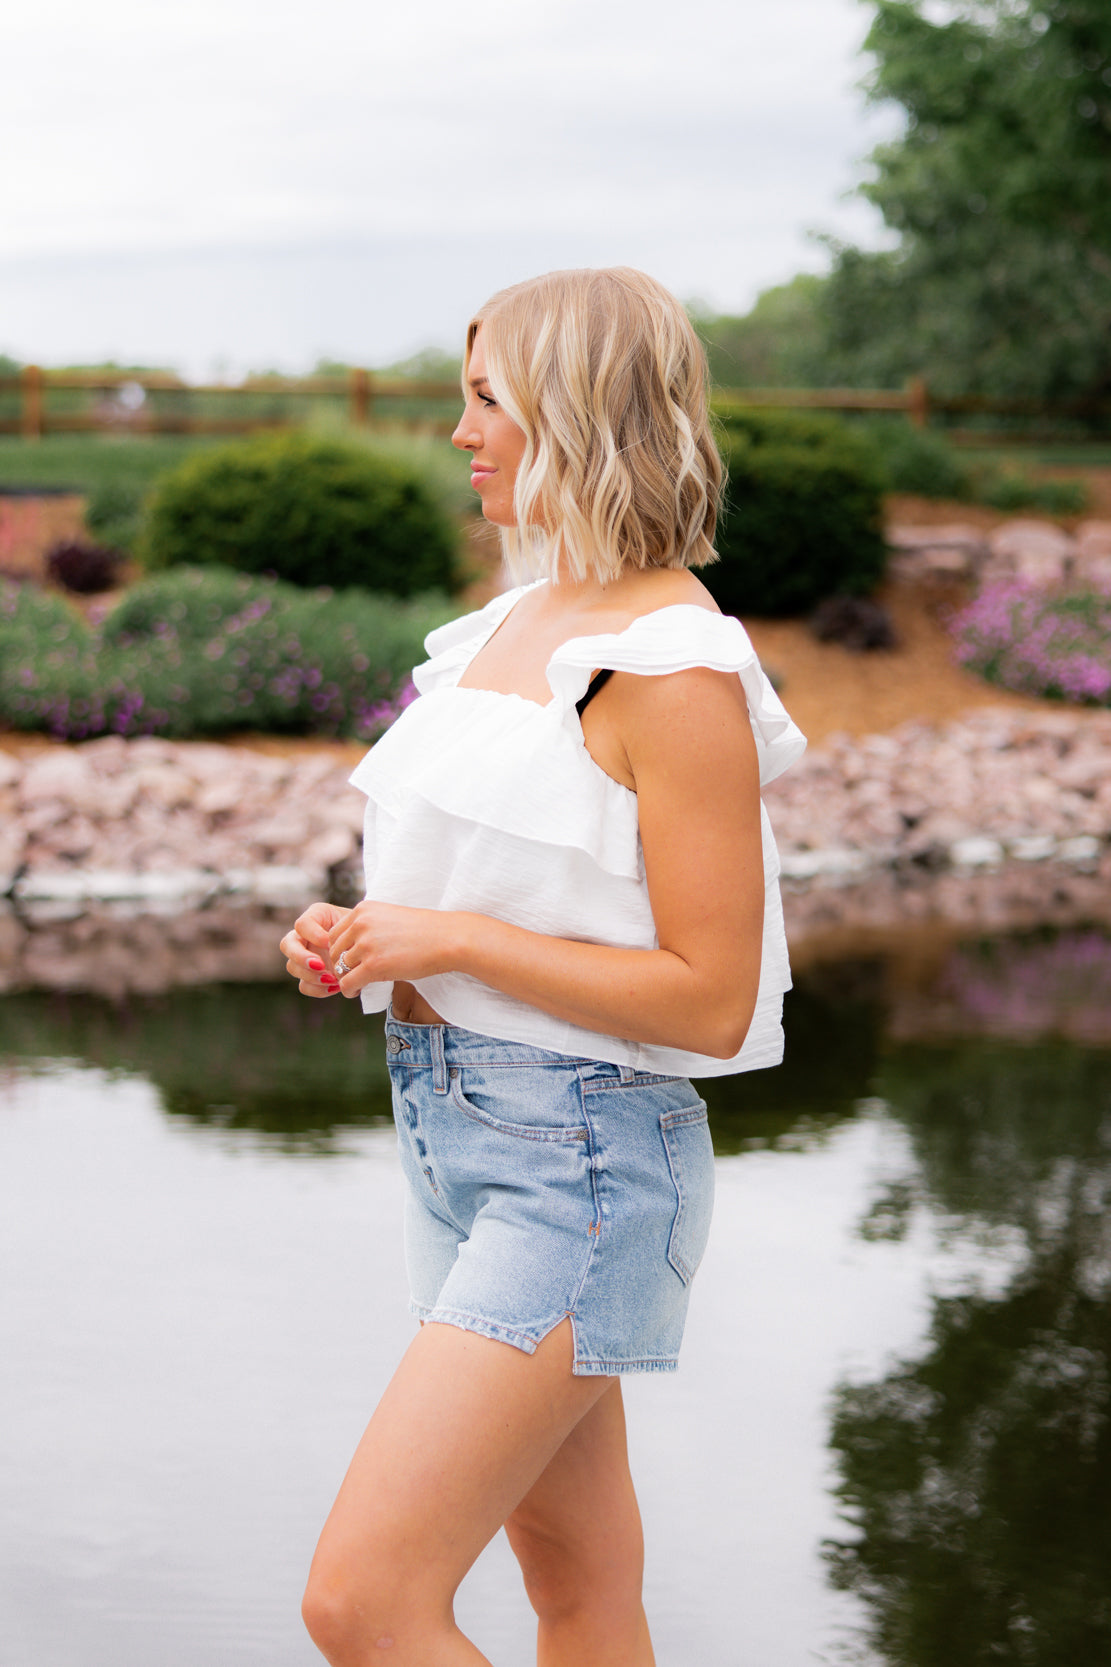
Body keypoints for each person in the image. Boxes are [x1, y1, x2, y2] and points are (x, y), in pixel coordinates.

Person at [280, 266, 805, 1667]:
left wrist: (449, 940)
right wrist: (363, 938)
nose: (459, 432)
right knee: (583, 1600)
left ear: (577, 412)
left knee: (363, 1601)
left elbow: (707, 991)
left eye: (488, 399)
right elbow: (489, 887)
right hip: (460, 1140)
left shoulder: (672, 669)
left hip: (581, 1169)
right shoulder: (520, 618)